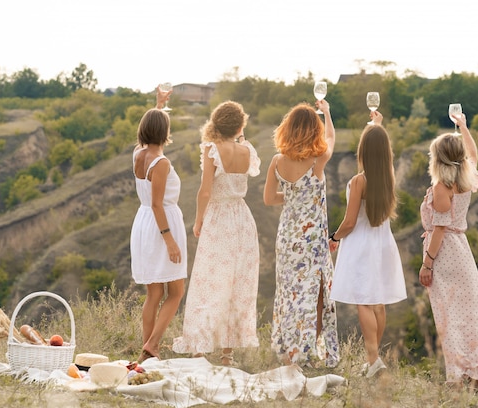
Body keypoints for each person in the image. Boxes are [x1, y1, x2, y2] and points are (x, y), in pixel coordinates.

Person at [172, 101, 260, 366]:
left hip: (219, 219)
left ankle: (199, 348)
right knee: (237, 284)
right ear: (239, 125)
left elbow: (205, 191)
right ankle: (227, 353)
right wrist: (239, 138)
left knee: (209, 281)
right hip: (242, 220)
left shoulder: (211, 149)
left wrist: (198, 221)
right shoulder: (248, 150)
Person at [328, 111, 407, 378]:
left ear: (363, 150)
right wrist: (377, 125)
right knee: (378, 302)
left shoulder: (359, 181)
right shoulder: (388, 177)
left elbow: (349, 222)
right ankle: (374, 361)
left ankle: (373, 361)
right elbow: (379, 146)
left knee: (363, 300)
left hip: (361, 245)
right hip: (383, 243)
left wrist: (334, 238)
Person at [263, 100, 339, 368]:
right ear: (312, 130)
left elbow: (269, 199)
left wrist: (295, 197)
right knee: (315, 295)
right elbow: (330, 137)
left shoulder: (277, 161)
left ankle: (288, 350)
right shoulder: (317, 160)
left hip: (287, 238)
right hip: (312, 242)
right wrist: (327, 112)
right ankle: (305, 354)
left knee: (289, 294)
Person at [418, 112, 478, 389]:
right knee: (469, 313)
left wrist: (427, 264)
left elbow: (439, 229)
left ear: (437, 159)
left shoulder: (442, 187)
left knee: (449, 314)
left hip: (446, 252)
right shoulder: (465, 178)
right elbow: (473, 154)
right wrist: (463, 127)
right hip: (463, 250)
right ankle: (474, 375)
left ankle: (456, 378)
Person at [130, 86, 187, 363]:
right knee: (176, 292)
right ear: (165, 133)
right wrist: (170, 240)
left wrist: (158, 106)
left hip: (143, 225)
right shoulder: (161, 163)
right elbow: (157, 204)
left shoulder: (138, 154)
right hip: (160, 225)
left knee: (154, 292)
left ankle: (148, 352)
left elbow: (151, 131)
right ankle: (151, 346)